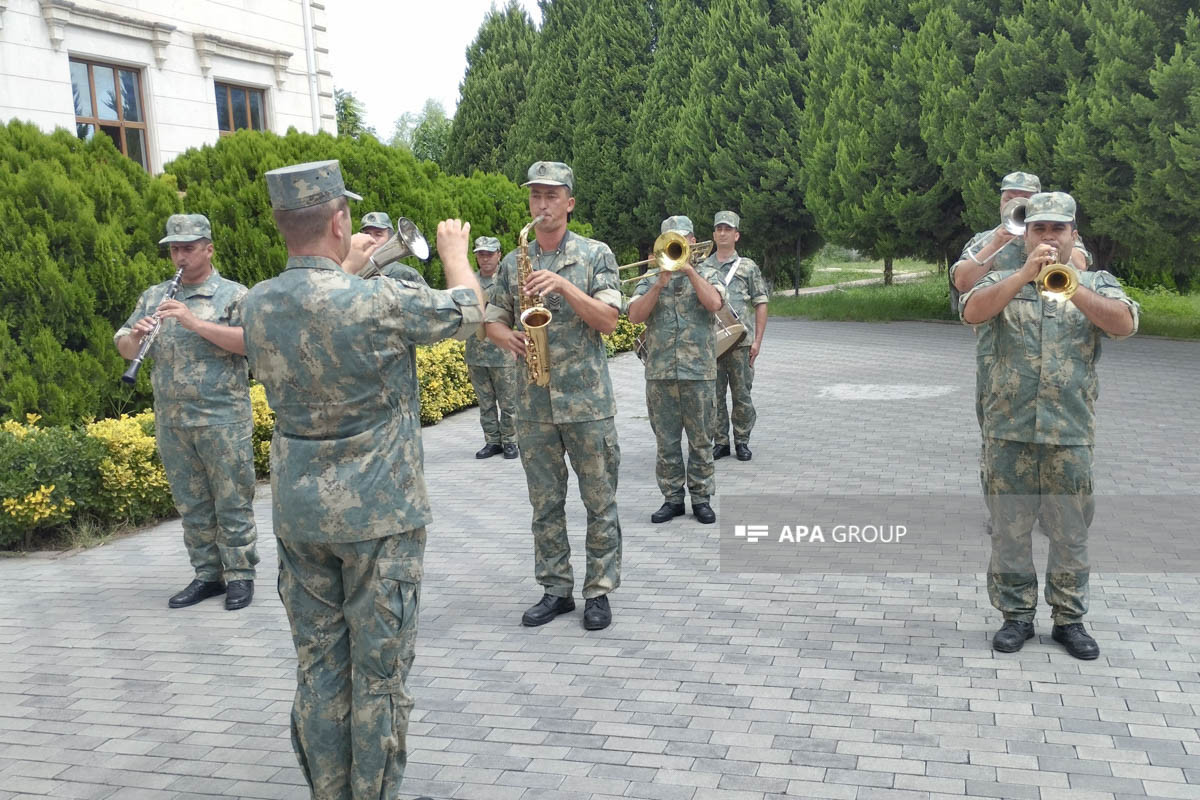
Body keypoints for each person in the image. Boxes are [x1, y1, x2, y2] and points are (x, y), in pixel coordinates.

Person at [239, 160, 482, 799]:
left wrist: (342, 267)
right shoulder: (378, 300)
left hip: (300, 514)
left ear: (281, 223)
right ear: (340, 219)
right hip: (379, 514)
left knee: (319, 669)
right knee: (378, 677)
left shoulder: (258, 303)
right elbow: (468, 314)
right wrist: (455, 254)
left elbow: (316, 307)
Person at [960, 191, 1138, 660]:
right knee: (1010, 531)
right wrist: (1023, 275)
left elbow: (1124, 324)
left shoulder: (1096, 281)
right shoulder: (1001, 277)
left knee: (1070, 532)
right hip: (1008, 431)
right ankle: (1016, 617)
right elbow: (972, 311)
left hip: (1069, 432)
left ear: (1072, 235)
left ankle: (1069, 620)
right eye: (1039, 228)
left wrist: (1071, 286)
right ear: (1027, 234)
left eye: (1058, 229)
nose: (1048, 236)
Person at [485, 161, 623, 632]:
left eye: (551, 196)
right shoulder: (511, 262)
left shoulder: (595, 255)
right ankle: (556, 588)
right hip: (533, 404)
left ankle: (599, 590)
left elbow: (608, 320)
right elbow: (490, 317)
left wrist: (564, 285)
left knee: (599, 499)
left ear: (570, 202)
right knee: (544, 504)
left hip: (587, 403)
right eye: (535, 196)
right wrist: (503, 337)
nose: (541, 205)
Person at [114, 213, 259, 611]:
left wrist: (193, 322)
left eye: (188, 248)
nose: (179, 255)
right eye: (174, 248)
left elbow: (250, 343)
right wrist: (137, 336)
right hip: (173, 421)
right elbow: (124, 347)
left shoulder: (233, 295)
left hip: (222, 417)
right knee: (191, 504)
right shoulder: (154, 296)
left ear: (208, 248)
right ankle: (207, 575)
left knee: (231, 500)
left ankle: (240, 575)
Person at [626, 215, 725, 524]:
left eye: (681, 238)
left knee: (701, 439)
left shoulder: (709, 272)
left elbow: (715, 304)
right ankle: (672, 498)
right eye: (670, 239)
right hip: (660, 373)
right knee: (666, 441)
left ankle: (701, 498)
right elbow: (634, 316)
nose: (677, 244)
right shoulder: (650, 277)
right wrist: (659, 283)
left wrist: (691, 272)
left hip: (698, 372)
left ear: (693, 241)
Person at [951, 171, 1091, 314]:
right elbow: (963, 283)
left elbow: (1080, 267)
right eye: (1008, 199)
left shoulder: (1060, 236)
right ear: (1000, 204)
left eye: (1025, 199)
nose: (1015, 204)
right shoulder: (985, 239)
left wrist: (1051, 243)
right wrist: (994, 246)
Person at [702, 210, 768, 462]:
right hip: (713, 342)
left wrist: (758, 341)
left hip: (741, 343)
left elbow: (761, 302)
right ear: (713, 234)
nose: (722, 233)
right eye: (718, 229)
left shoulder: (748, 267)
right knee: (713, 396)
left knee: (742, 395)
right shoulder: (703, 267)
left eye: (728, 229)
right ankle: (720, 442)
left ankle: (742, 440)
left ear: (736, 235)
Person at [466, 236, 519, 459]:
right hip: (476, 352)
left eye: (489, 253)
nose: (485, 258)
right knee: (485, 402)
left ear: (499, 254)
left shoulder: (505, 280)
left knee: (508, 402)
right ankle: (492, 441)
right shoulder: (469, 281)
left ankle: (510, 441)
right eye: (480, 254)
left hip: (503, 353)